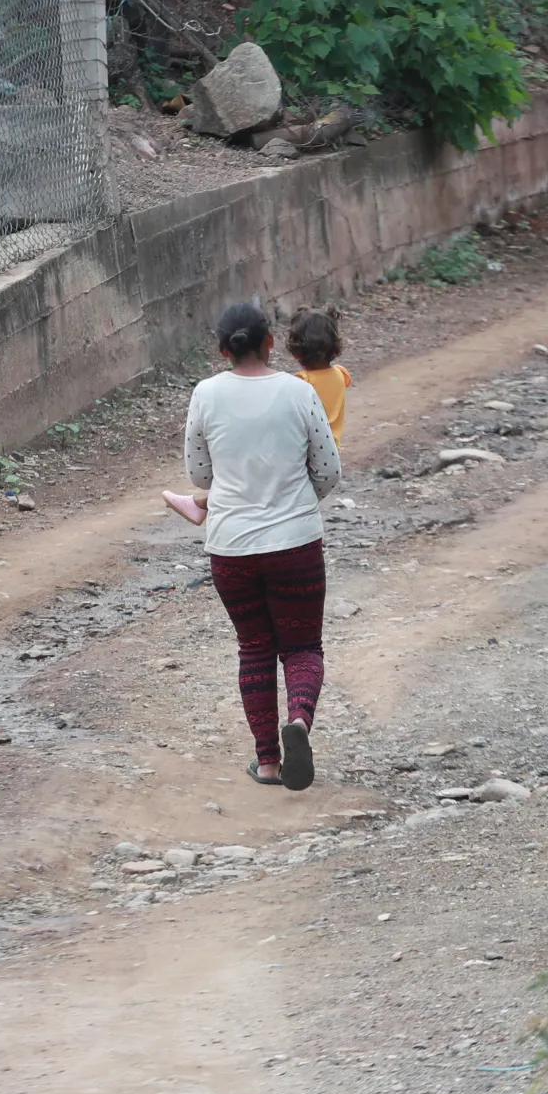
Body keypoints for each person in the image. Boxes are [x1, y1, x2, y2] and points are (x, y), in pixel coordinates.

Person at [175, 301, 342, 790]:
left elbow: (200, 473)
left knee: (254, 648)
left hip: (231, 548)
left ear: (223, 349)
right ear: (271, 342)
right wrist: (294, 502)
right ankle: (299, 722)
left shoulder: (205, 394)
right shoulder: (298, 391)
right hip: (295, 545)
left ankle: (267, 762)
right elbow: (329, 469)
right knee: (303, 646)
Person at [163, 306, 349, 525]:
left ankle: (202, 504)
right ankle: (200, 504)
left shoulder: (301, 385)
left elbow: (200, 475)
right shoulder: (340, 374)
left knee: (253, 471)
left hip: (238, 527)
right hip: (325, 452)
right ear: (268, 341)